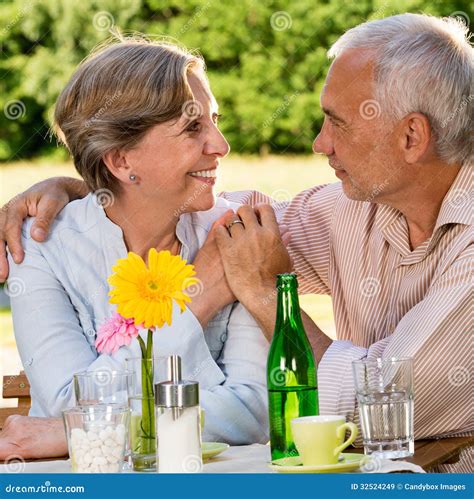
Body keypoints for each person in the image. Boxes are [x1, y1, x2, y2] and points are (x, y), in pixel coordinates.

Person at [1, 14, 472, 472]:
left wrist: (267, 294)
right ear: (121, 159)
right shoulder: (343, 211)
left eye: (338, 122)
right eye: (194, 126)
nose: (318, 143)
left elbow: (273, 410)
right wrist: (85, 185)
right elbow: (167, 205)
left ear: (412, 136)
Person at [0, 36, 278, 457]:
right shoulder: (41, 248)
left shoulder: (232, 235)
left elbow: (251, 414)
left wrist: (91, 428)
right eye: (193, 127)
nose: (221, 145)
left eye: (215, 120)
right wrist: (193, 300)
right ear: (121, 160)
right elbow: (66, 404)